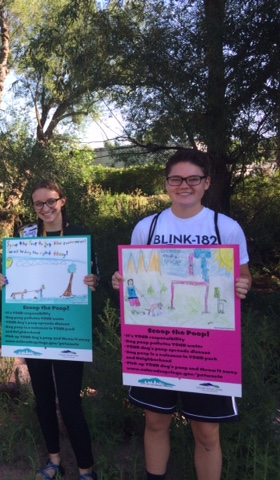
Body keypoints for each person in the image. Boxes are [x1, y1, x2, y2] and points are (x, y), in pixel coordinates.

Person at [111, 149, 252, 480]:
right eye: (176, 179)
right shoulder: (147, 227)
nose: (183, 185)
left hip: (208, 349)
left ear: (207, 183)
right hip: (158, 345)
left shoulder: (226, 228)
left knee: (206, 434)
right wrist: (123, 282)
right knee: (155, 422)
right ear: (166, 183)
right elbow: (136, 284)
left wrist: (243, 286)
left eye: (192, 179)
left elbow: (244, 276)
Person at [0, 179, 99, 480]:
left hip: (67, 330)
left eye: (51, 201)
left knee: (69, 402)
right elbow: (14, 274)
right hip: (34, 329)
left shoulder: (80, 235)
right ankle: (54, 461)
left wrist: (94, 282)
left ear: (62, 200)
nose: (46, 208)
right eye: (39, 204)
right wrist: (3, 280)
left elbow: (96, 277)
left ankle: (86, 470)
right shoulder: (25, 235)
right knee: (42, 399)